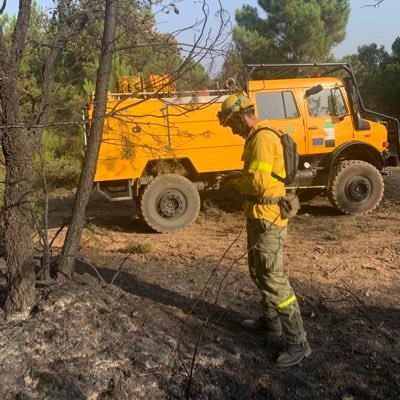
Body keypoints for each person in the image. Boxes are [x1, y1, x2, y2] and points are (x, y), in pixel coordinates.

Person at [217, 92, 311, 368]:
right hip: (259, 214)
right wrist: (240, 178)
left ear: (239, 116)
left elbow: (257, 184)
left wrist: (234, 184)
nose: (232, 131)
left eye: (231, 124)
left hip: (268, 217)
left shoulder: (262, 137)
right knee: (257, 269)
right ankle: (270, 322)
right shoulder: (258, 136)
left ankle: (298, 343)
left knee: (272, 276)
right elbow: (261, 177)